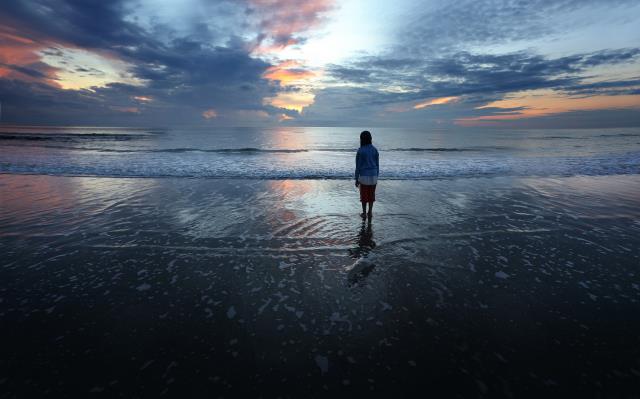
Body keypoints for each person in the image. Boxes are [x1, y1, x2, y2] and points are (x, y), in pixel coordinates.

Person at [354, 130, 379, 218]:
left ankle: (364, 213)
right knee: (371, 195)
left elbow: (358, 166)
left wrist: (356, 178)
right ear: (370, 139)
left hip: (364, 176)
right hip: (374, 176)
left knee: (364, 196)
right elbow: (377, 165)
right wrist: (377, 176)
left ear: (362, 139)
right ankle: (370, 212)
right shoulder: (375, 150)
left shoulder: (361, 150)